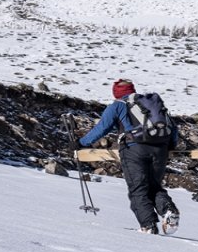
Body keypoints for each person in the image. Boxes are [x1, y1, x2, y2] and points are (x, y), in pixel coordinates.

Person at [75, 78, 180, 234]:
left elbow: (102, 128)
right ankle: (168, 210)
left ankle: (148, 226)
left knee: (138, 189)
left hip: (133, 150)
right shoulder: (150, 105)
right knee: (153, 186)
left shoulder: (118, 106)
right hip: (160, 149)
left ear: (116, 93)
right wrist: (169, 146)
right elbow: (172, 127)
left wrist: (81, 143)